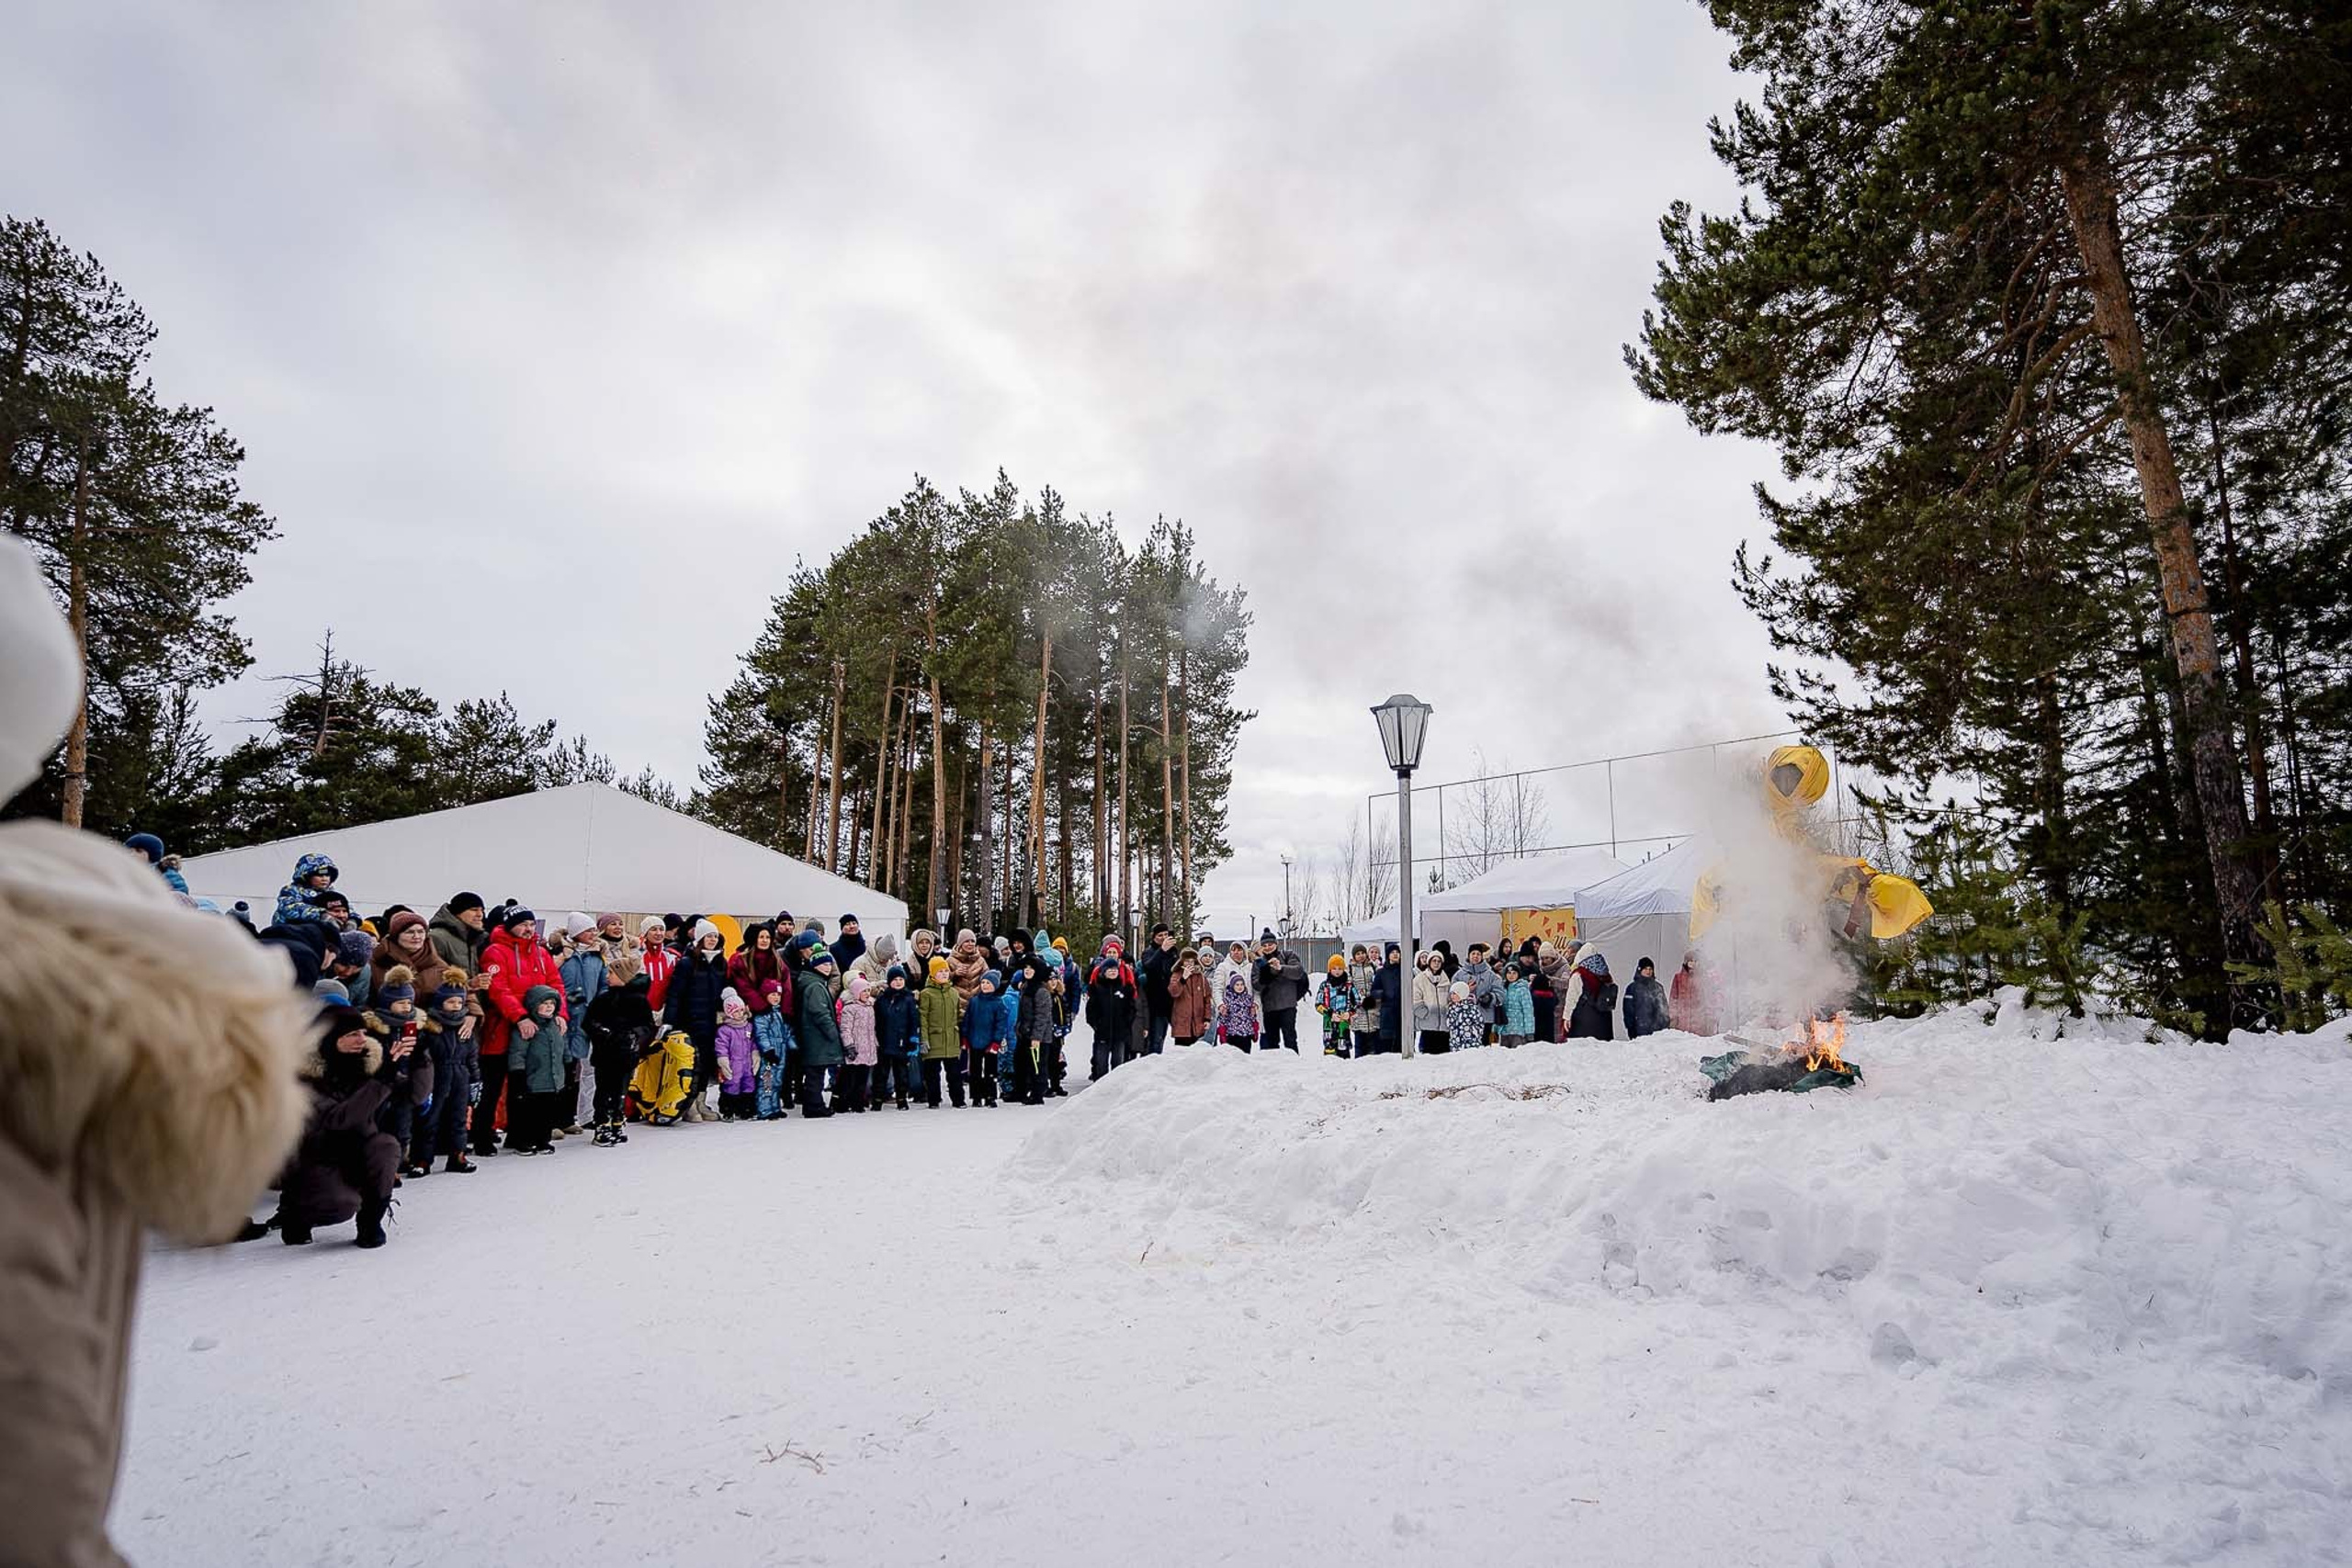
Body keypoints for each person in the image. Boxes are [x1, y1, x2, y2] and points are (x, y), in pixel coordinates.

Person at [245, 1005, 412, 1247]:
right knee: (342, 1205)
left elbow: (414, 1095)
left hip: (356, 1150)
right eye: (352, 1034)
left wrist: (419, 1061)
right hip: (314, 1159)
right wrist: (382, 1081)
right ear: (330, 1037)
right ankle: (296, 1215)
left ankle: (370, 1223)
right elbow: (338, 1119)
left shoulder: (368, 1063)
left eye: (363, 1033)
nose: (361, 1039)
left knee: (385, 1146)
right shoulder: (302, 1078)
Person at [474, 907, 565, 1154]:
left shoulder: (540, 952)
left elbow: (555, 984)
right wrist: (520, 1016)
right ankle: (482, 1135)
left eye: (531, 925)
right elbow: (498, 989)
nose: (528, 929)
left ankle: (519, 1134)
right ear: (510, 925)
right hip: (502, 1028)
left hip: (535, 1032)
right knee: (492, 1086)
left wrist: (559, 1013)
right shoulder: (495, 951)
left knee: (522, 1086)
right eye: (523, 924)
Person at [582, 953, 656, 1145]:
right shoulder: (603, 999)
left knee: (621, 1089)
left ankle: (617, 1120)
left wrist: (634, 1035)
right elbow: (588, 1022)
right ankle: (602, 1123)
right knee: (603, 1090)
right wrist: (601, 1031)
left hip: (626, 1052)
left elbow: (647, 1025)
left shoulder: (639, 1001)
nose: (607, 977)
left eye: (611, 973)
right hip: (604, 1052)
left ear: (623, 976)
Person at [663, 920, 731, 1122]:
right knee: (692, 1062)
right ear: (700, 938)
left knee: (707, 1062)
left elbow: (725, 990)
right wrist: (669, 1021)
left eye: (715, 936)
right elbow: (675, 994)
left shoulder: (720, 962)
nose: (712, 939)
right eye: (708, 936)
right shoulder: (687, 962)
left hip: (712, 1021)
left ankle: (702, 1101)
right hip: (690, 1021)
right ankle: (688, 1103)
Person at [416, 965, 481, 1171]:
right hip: (436, 1076)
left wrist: (475, 1082)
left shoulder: (465, 1028)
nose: (455, 1006)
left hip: (460, 1076)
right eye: (451, 1002)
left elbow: (472, 1058)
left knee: (459, 1118)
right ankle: (423, 1159)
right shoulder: (430, 1028)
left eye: (459, 1002)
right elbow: (421, 1056)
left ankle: (458, 1156)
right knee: (430, 1119)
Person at [361, 965, 428, 1168]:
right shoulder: (376, 1029)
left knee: (403, 1123)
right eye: (401, 1003)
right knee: (382, 1122)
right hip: (383, 1083)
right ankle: (384, 1161)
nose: (406, 1007)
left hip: (406, 1083)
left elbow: (422, 1057)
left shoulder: (416, 1027)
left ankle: (401, 1158)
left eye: (409, 1002)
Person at [557, 916, 609, 1136]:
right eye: (588, 930)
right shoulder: (562, 954)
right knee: (562, 1069)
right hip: (564, 1018)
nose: (593, 934)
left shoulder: (597, 957)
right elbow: (554, 982)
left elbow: (604, 985)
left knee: (588, 1068)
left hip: (588, 1019)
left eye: (594, 930)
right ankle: (556, 1119)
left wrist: (600, 1008)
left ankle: (581, 1115)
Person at [503, 985, 569, 1154]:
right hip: (533, 1078)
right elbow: (518, 1052)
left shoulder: (556, 1025)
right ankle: (524, 1140)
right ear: (534, 1005)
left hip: (554, 1079)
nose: (549, 1007)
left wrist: (568, 1062)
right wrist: (517, 1072)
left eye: (552, 1003)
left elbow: (563, 1046)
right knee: (529, 1113)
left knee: (547, 1113)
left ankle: (543, 1140)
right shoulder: (529, 1027)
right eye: (544, 1003)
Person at [794, 947, 844, 1118]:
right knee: (816, 1073)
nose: (827, 967)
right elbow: (820, 1012)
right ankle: (815, 1106)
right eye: (823, 964)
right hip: (816, 1037)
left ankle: (813, 1105)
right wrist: (832, 1032)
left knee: (815, 1073)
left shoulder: (814, 982)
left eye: (829, 964)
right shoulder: (816, 986)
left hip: (813, 1036)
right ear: (814, 965)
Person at [1085, 937, 1138, 1077]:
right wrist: (1096, 1024)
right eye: (1110, 969)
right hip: (1102, 1031)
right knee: (1101, 1063)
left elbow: (1131, 1006)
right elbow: (1091, 1008)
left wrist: (1127, 1023)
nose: (1113, 971)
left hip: (1120, 1031)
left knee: (1118, 1063)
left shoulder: (1125, 983)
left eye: (1115, 969)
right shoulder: (1098, 986)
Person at [919, 955, 966, 1108]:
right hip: (934, 1040)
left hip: (951, 1040)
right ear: (933, 974)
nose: (944, 974)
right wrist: (924, 1039)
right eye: (940, 971)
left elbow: (958, 1015)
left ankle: (958, 1099)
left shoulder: (953, 992)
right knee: (932, 1073)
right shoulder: (926, 994)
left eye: (946, 971)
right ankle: (934, 1099)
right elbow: (923, 1018)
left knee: (954, 1073)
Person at [875, 964, 922, 1110]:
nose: (898, 982)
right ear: (889, 981)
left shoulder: (909, 999)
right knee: (881, 1073)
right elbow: (877, 1020)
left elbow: (914, 1021)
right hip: (884, 1042)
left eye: (901, 979)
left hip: (902, 1042)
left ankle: (902, 1099)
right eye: (895, 980)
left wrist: (913, 1039)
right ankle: (877, 1099)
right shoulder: (882, 999)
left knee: (901, 1073)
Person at [1253, 932, 1310, 1052]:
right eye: (1265, 945)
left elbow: (1298, 971)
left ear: (1276, 944)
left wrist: (1281, 968)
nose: (1268, 947)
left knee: (1290, 1039)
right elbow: (1256, 985)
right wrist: (1267, 974)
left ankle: (1294, 1061)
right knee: (1272, 1042)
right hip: (1269, 1008)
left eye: (1270, 944)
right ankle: (1275, 1063)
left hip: (1288, 1005)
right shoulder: (1259, 963)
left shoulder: (1288, 955)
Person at [963, 969, 1010, 1106]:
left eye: (988, 983)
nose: (985, 985)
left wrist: (996, 1041)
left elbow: (1001, 1024)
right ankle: (976, 1097)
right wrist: (965, 1037)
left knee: (991, 1071)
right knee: (975, 1071)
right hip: (974, 1041)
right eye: (983, 982)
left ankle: (990, 1096)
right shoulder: (974, 1001)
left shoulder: (998, 1003)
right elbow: (967, 1020)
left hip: (991, 1043)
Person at [714, 989, 760, 1120]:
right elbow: (721, 1045)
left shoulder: (749, 1027)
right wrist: (722, 1059)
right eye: (735, 1012)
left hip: (747, 1064)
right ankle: (728, 1110)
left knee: (749, 1085)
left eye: (741, 1010)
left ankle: (747, 1109)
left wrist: (755, 1053)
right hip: (733, 1064)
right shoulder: (725, 1030)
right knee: (731, 1085)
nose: (739, 1014)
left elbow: (753, 1042)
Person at [839, 972, 880, 1111]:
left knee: (863, 1078)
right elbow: (845, 1029)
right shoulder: (849, 1008)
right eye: (864, 991)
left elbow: (872, 1028)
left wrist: (875, 1043)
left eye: (868, 991)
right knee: (851, 1078)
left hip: (868, 1048)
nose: (867, 994)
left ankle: (859, 1102)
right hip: (856, 1048)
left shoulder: (870, 1007)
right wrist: (849, 1045)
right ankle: (846, 1102)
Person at [1138, 923, 1178, 1055]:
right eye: (1160, 935)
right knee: (1155, 1039)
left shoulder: (1173, 952)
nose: (1163, 938)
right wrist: (1162, 951)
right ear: (1154, 937)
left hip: (1170, 1001)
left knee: (1170, 1036)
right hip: (1155, 1003)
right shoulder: (1148, 952)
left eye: (1166, 934)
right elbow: (1149, 967)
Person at [428, 891, 489, 976]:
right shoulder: (437, 937)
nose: (480, 914)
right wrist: (469, 982)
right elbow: (433, 974)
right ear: (458, 912)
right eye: (474, 910)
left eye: (482, 910)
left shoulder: (477, 938)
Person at [272, 852, 339, 926]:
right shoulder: (291, 890)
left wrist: (347, 920)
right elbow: (289, 908)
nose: (324, 879)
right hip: (289, 929)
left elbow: (341, 907)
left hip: (317, 930)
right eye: (320, 875)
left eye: (327, 875)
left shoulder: (330, 893)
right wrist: (321, 914)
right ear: (307, 876)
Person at [1566, 949, 1618, 1040]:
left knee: (1584, 1047)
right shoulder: (1606, 974)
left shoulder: (1579, 974)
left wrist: (1567, 1017)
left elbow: (1571, 998)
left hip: (1583, 1021)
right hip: (1604, 1021)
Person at [1168, 946, 1213, 1046]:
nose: (1189, 964)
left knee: (1197, 1051)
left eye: (1192, 961)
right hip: (1182, 1024)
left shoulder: (1201, 977)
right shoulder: (1176, 975)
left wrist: (1207, 1018)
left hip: (1197, 1023)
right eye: (1187, 961)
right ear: (1182, 962)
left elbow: (1207, 999)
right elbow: (1173, 992)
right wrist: (1183, 979)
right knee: (1182, 1052)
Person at [1461, 943, 1503, 1044]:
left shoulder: (1491, 975)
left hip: (1486, 1017)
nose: (1475, 956)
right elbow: (1452, 994)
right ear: (1468, 955)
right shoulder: (1460, 975)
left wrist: (1490, 998)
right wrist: (1465, 990)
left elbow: (1500, 994)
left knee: (1484, 1048)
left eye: (1478, 954)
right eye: (1473, 953)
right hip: (1466, 1017)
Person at [1669, 951, 1719, 1035]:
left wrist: (1710, 1020)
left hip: (1699, 1025)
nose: (1693, 963)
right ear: (1686, 962)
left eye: (1695, 961)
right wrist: (1673, 1019)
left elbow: (1708, 999)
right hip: (1682, 1025)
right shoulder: (1678, 978)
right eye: (1691, 961)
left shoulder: (1703, 978)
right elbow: (1673, 999)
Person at [1368, 943, 1405, 1055]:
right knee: (1387, 1044)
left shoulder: (1405, 971)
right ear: (1388, 955)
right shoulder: (1381, 972)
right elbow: (1374, 991)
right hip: (1387, 1011)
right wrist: (1383, 994)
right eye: (1392, 952)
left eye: (1397, 952)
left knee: (1402, 1042)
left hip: (1403, 1011)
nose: (1395, 954)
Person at [1315, 955, 1355, 1055]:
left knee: (1343, 1050)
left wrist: (1349, 1013)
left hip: (1343, 1023)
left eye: (1340, 968)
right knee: (1330, 1052)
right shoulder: (1325, 985)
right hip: (1329, 1023)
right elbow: (1318, 1004)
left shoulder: (1349, 986)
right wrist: (1330, 1013)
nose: (1337, 971)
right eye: (1334, 968)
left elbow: (1358, 1002)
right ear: (1330, 970)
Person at [1346, 944, 1382, 1057]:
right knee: (1360, 1046)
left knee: (1374, 1046)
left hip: (1373, 1010)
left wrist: (1374, 997)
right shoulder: (1350, 969)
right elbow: (1349, 988)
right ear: (1354, 956)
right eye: (1358, 954)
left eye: (1362, 953)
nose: (1361, 956)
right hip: (1359, 1012)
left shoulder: (1373, 967)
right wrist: (1359, 1000)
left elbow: (1378, 984)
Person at [1215, 964, 1260, 1050]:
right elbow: (1223, 1018)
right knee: (1233, 1055)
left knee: (1245, 1054)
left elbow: (1252, 1016)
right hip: (1232, 1033)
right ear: (1232, 986)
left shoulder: (1248, 999)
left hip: (1246, 1033)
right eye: (1237, 985)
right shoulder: (1227, 1000)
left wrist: (1255, 1029)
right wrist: (1223, 1033)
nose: (1240, 987)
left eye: (1242, 984)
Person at [639, 916, 679, 1010]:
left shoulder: (672, 958)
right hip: (641, 1011)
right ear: (645, 933)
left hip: (665, 1012)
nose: (658, 933)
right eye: (653, 929)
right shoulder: (637, 958)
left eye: (661, 929)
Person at [1624, 956, 1671, 1037]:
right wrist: (1630, 1028)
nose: (1648, 971)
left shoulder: (1658, 987)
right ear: (1640, 970)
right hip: (1639, 1031)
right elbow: (1628, 1010)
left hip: (1657, 1033)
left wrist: (1665, 1025)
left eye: (1650, 969)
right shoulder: (1632, 988)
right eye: (1645, 969)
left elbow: (1664, 1008)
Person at [1414, 951, 1450, 1054]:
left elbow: (1449, 998)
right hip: (1427, 1025)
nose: (1436, 963)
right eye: (1434, 960)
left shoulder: (1446, 979)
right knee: (1428, 1056)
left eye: (1439, 961)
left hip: (1443, 1025)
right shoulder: (1420, 979)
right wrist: (1424, 1013)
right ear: (1429, 962)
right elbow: (1415, 998)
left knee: (1444, 1055)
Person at [331, 928, 376, 1009]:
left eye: (357, 967)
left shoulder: (365, 973)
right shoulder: (318, 967)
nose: (348, 972)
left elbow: (360, 1005)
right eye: (344, 964)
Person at [946, 928, 989, 1009]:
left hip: (976, 1005)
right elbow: (943, 981)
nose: (970, 944)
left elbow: (988, 980)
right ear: (960, 943)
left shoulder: (981, 960)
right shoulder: (950, 960)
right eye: (966, 941)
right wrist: (954, 974)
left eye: (972, 941)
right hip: (957, 1005)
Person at [1531, 943, 1563, 1045]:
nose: (1545, 961)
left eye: (1547, 958)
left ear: (1552, 957)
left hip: (1560, 1006)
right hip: (1551, 1004)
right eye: (1542, 958)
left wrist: (1551, 981)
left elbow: (1567, 983)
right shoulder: (1540, 968)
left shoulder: (1563, 967)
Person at [1499, 962, 1535, 1048]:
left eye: (1514, 973)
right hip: (1504, 1029)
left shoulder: (1522, 989)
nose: (1511, 976)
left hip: (1518, 1029)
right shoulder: (1502, 989)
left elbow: (1528, 1011)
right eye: (1509, 973)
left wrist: (1529, 1031)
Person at [1445, 979, 1485, 1053]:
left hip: (1471, 1042)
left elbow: (1479, 1022)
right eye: (1451, 994)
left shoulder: (1471, 1008)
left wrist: (1474, 1032)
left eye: (1455, 994)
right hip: (1456, 1043)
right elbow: (1449, 1023)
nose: (1452, 996)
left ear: (1462, 994)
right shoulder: (1451, 1008)